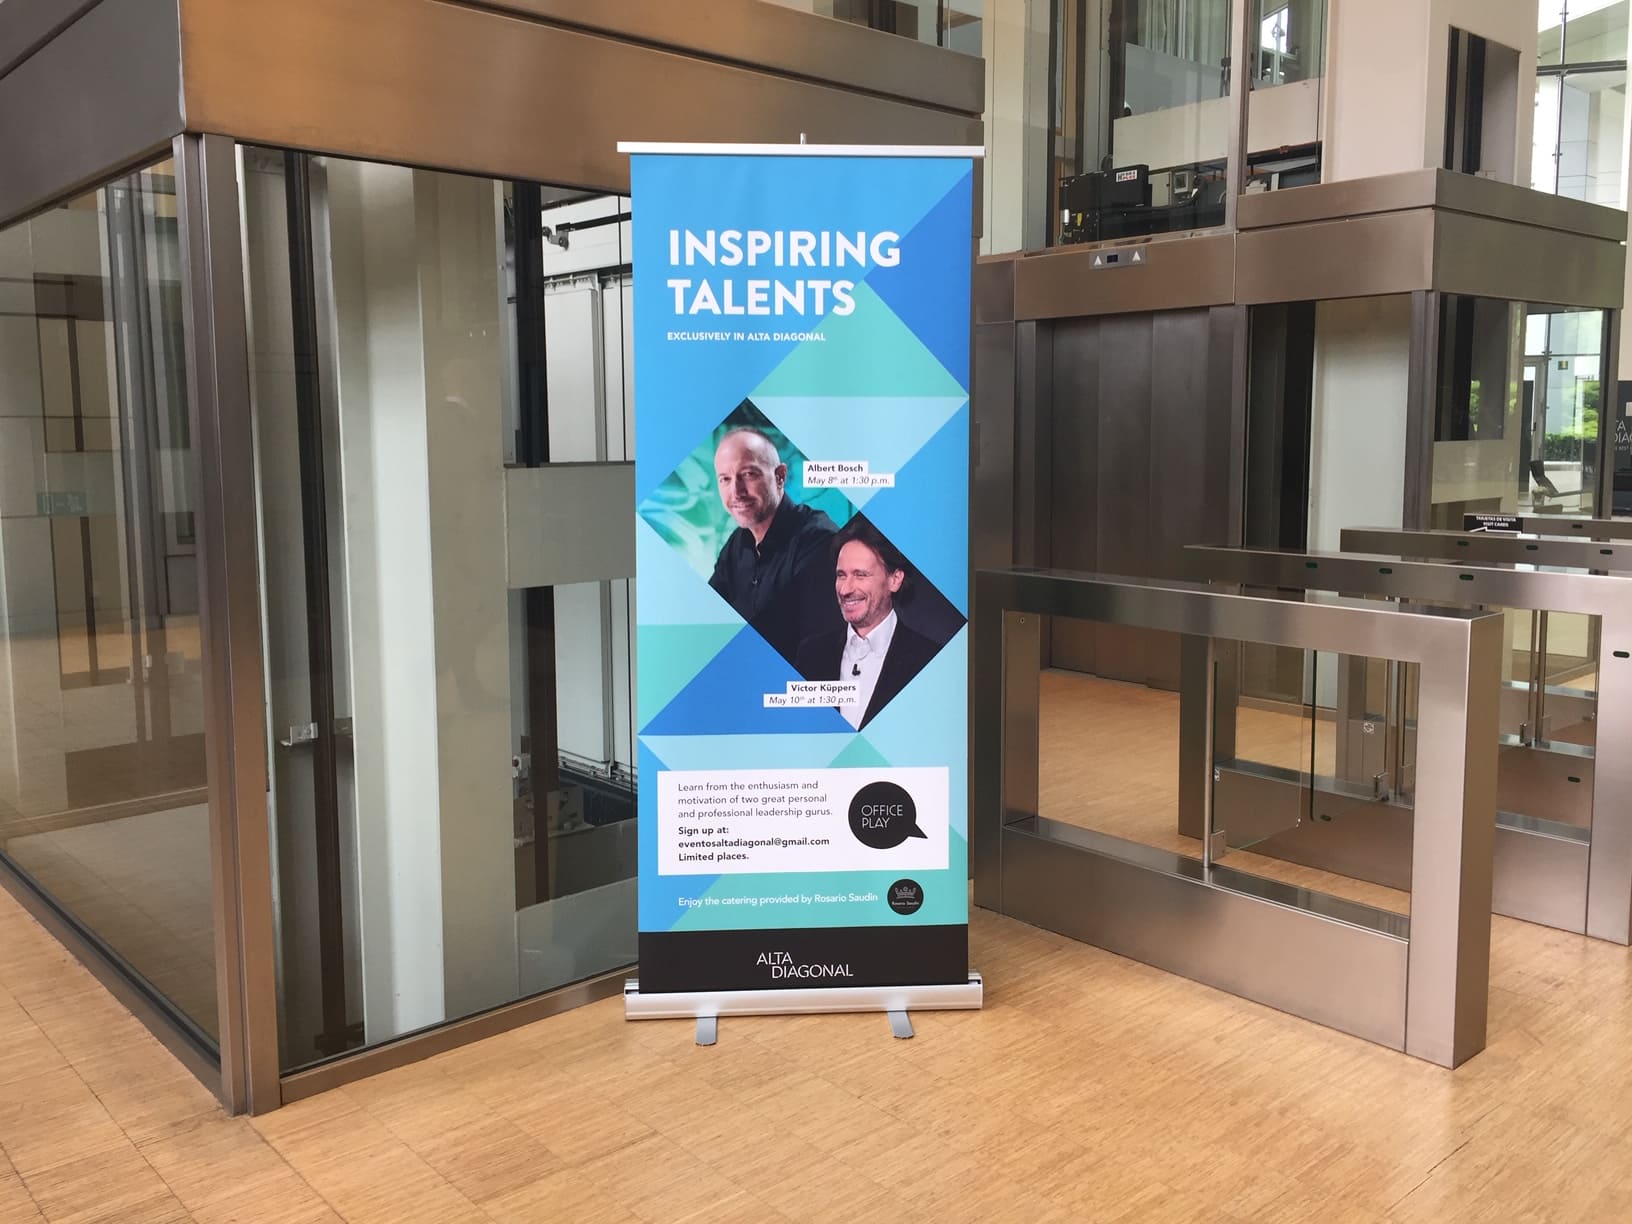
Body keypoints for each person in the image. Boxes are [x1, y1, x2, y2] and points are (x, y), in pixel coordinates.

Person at [708, 427, 838, 662]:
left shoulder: (818, 540)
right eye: (725, 479)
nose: (736, 491)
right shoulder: (737, 544)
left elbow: (816, 652)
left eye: (748, 474)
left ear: (780, 476)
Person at [796, 519, 937, 730]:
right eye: (841, 575)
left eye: (860, 575)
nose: (845, 589)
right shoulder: (811, 654)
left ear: (895, 579)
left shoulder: (929, 660)